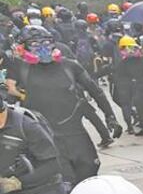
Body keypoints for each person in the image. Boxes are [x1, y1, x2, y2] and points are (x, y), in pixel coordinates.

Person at [6, 25, 121, 184]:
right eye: (35, 44)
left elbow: (96, 91)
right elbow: (6, 102)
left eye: (46, 43)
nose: (43, 48)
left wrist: (110, 116)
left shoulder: (70, 66)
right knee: (62, 181)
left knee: (90, 173)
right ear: (22, 47)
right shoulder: (18, 69)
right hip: (44, 137)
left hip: (75, 132)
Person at [113, 35, 143, 135]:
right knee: (142, 104)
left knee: (126, 105)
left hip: (124, 84)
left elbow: (116, 72)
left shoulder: (121, 61)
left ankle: (130, 127)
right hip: (140, 84)